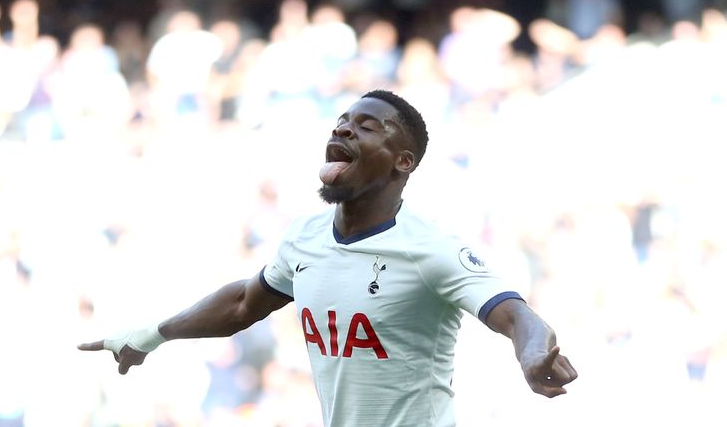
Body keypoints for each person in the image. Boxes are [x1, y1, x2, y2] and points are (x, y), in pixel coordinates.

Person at [78, 89, 578, 426]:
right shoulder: (306, 237)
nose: (342, 131)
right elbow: (241, 305)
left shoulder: (430, 249)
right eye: (341, 123)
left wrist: (533, 353)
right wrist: (152, 334)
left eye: (365, 126)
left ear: (403, 162)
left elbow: (517, 315)